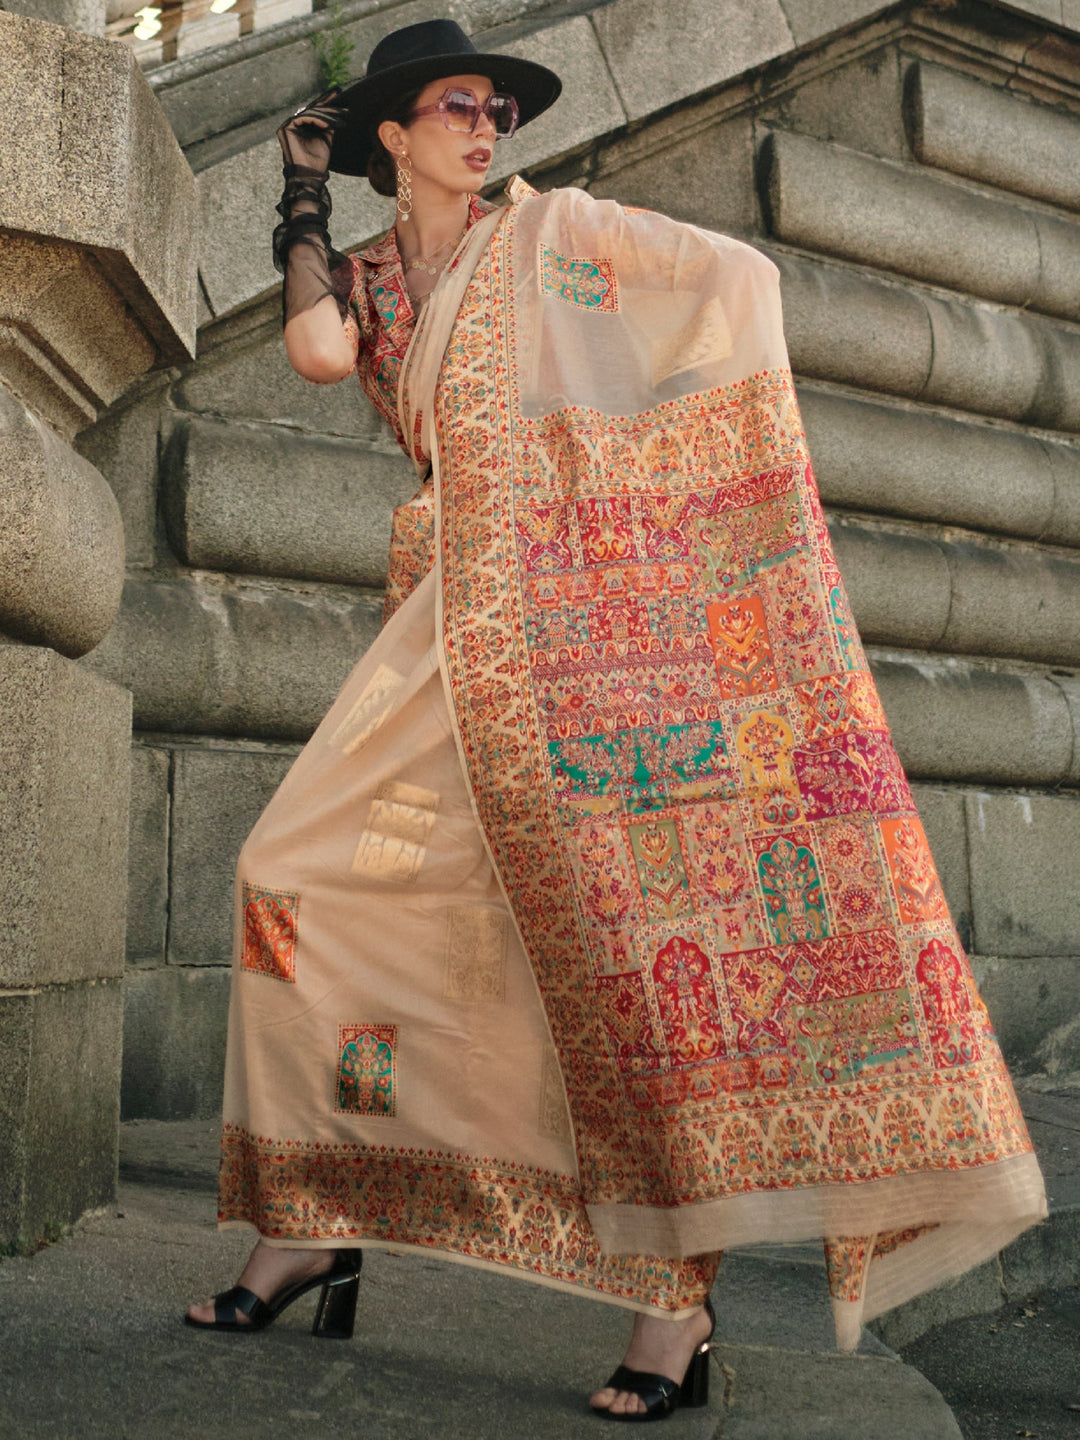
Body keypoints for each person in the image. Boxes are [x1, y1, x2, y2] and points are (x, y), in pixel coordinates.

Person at [186, 18, 1047, 1422]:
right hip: (440, 639)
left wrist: (652, 521)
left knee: (613, 948)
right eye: (454, 109)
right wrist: (300, 199)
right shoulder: (374, 278)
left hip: (581, 645)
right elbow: (320, 358)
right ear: (392, 134)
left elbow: (739, 284)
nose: (484, 128)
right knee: (295, 878)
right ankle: (320, 1208)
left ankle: (673, 1313)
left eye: (495, 111)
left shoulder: (565, 238)